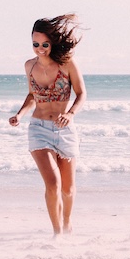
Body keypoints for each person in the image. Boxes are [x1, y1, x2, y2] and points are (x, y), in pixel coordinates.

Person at [9, 15, 85, 235]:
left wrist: (70, 114)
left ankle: (67, 221)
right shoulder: (29, 66)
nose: (40, 49)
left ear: (52, 43)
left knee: (68, 190)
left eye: (44, 44)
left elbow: (81, 93)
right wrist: (20, 114)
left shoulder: (67, 63)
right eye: (35, 44)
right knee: (53, 184)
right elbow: (32, 95)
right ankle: (56, 233)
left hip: (65, 130)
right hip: (39, 129)